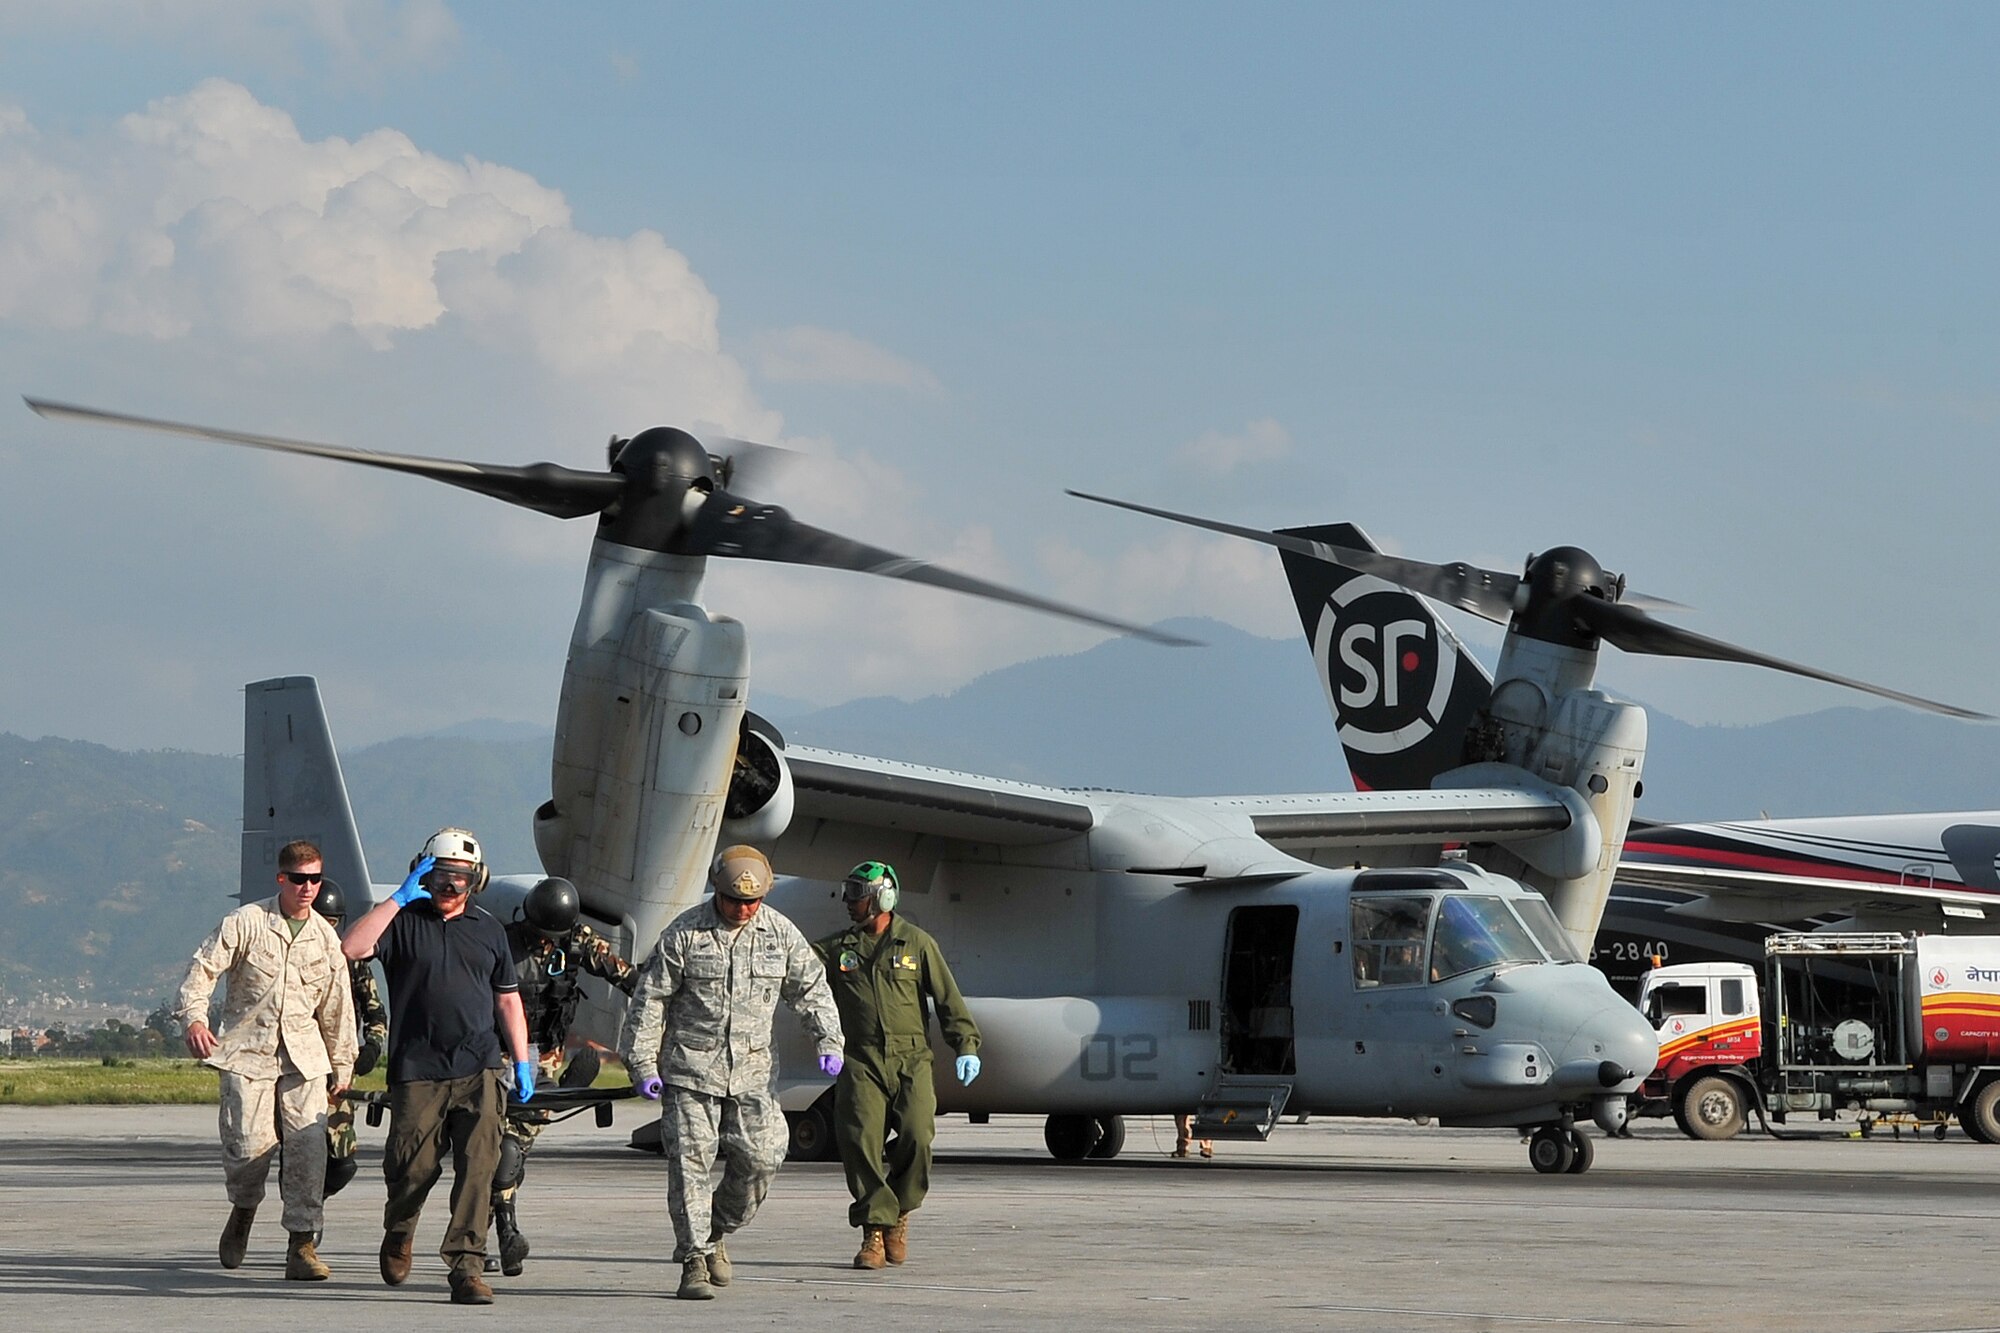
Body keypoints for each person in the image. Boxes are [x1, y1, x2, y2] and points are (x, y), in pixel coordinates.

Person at [619, 844, 845, 1301]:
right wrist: (642, 1063)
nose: (743, 909)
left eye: (753, 901)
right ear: (716, 891)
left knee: (764, 1158)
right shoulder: (684, 934)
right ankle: (693, 1260)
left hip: (754, 1073)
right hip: (689, 1072)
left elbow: (812, 989)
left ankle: (716, 1227)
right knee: (689, 1167)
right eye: (734, 900)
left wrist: (829, 1040)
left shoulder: (780, 934)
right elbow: (650, 1001)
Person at [342, 827, 535, 1306]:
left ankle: (467, 1266)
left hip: (480, 1066)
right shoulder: (402, 921)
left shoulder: (489, 929)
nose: (452, 888)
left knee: (479, 1168)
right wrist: (395, 900)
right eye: (442, 876)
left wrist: (523, 1061)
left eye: (462, 878)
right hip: (418, 1068)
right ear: (424, 873)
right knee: (412, 1168)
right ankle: (400, 1228)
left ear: (477, 879)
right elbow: (352, 948)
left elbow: (508, 1001)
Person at [174, 839, 356, 1281]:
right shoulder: (247, 922)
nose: (308, 888)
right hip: (248, 1054)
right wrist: (195, 1021)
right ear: (282, 879)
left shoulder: (324, 938)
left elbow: (337, 1007)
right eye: (299, 879)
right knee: (246, 1149)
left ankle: (302, 1245)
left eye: (315, 879)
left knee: (308, 1153)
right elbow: (201, 972)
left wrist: (342, 1064)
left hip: (304, 1060)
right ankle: (243, 1209)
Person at [813, 860, 981, 1270]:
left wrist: (966, 1046)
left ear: (883, 897)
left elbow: (947, 1000)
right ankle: (873, 1230)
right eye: (847, 892)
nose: (848, 902)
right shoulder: (838, 949)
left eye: (857, 894)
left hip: (911, 1059)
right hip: (860, 1058)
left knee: (917, 1135)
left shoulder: (918, 944)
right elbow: (794, 971)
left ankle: (899, 1213)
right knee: (860, 1140)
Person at [488, 876, 637, 1277]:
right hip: (501, 1058)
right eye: (540, 935)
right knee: (501, 1149)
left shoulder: (577, 942)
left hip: (546, 1059)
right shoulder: (500, 944)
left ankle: (485, 1234)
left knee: (510, 1150)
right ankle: (501, 1231)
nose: (545, 944)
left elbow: (624, 975)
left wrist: (660, 1005)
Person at [311, 878, 387, 1202]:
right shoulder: (288, 963)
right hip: (298, 1072)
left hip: (338, 1076)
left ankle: (315, 1203)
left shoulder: (353, 964)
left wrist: (371, 1046)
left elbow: (376, 1013)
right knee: (301, 1156)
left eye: (331, 923)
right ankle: (303, 1227)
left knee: (341, 1163)